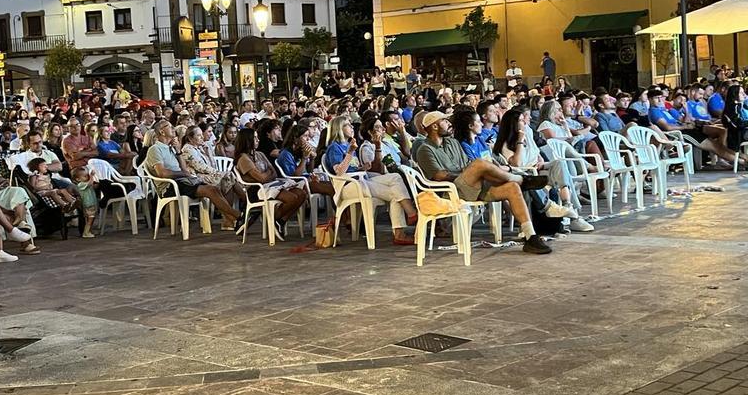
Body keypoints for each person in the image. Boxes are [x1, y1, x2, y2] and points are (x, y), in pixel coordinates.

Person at [415, 111, 552, 254]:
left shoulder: (453, 142)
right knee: (479, 164)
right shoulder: (424, 149)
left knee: (512, 188)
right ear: (435, 127)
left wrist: (474, 173)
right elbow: (439, 175)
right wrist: (470, 172)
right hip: (453, 190)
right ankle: (521, 179)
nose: (450, 124)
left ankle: (530, 236)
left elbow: (467, 164)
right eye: (445, 121)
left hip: (473, 185)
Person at [494, 106, 593, 231]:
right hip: (525, 174)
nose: (525, 121)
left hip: (538, 168)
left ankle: (568, 208)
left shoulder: (528, 132)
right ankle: (571, 216)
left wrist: (540, 159)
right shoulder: (506, 144)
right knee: (547, 174)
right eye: (520, 120)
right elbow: (516, 164)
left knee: (559, 164)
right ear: (513, 124)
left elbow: (536, 152)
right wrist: (520, 141)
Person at [324, 116, 417, 245]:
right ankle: (410, 215)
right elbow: (339, 172)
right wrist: (350, 153)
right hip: (348, 185)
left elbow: (352, 167)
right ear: (339, 128)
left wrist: (362, 167)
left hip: (360, 179)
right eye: (347, 125)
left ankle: (405, 224)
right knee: (397, 193)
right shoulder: (335, 147)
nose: (352, 127)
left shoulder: (349, 144)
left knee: (396, 180)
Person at [144, 119, 244, 231]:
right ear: (162, 132)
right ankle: (239, 216)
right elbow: (162, 173)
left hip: (183, 181)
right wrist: (184, 174)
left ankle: (234, 219)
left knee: (214, 189)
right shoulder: (155, 149)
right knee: (210, 190)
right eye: (169, 126)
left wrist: (178, 151)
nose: (173, 128)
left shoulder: (171, 148)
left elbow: (183, 167)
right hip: (170, 186)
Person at [234, 128, 307, 237]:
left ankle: (280, 220)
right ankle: (275, 218)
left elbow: (274, 172)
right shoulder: (243, 159)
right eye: (254, 138)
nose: (258, 140)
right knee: (292, 198)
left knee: (302, 194)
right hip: (256, 190)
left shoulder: (260, 154)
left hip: (271, 184)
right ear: (247, 141)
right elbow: (261, 178)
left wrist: (266, 174)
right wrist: (267, 174)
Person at [71, 167, 98, 238]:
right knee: (90, 218)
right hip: (88, 204)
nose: (88, 177)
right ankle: (86, 232)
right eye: (85, 176)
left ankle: (88, 231)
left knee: (91, 218)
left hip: (91, 203)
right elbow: (90, 184)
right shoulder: (80, 184)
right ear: (78, 179)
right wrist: (91, 176)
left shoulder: (85, 183)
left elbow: (92, 185)